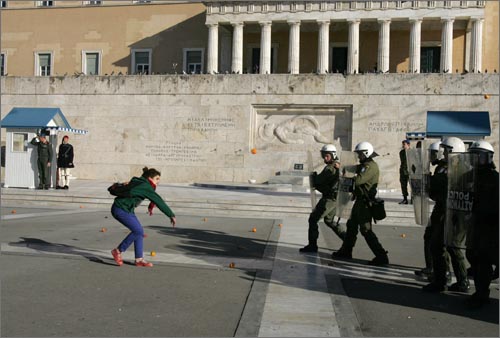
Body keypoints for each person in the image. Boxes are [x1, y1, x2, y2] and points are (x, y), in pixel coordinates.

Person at [423, 137, 469, 293]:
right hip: (443, 209)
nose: (444, 153)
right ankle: (443, 280)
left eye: (447, 150)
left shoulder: (463, 169)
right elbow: (437, 192)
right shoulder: (444, 167)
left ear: (454, 151)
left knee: (452, 247)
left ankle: (459, 282)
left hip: (456, 213)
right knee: (438, 245)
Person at [332, 141, 389, 266]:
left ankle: (381, 256)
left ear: (366, 153)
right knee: (351, 226)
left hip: (365, 204)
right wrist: (342, 166)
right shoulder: (365, 165)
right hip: (359, 202)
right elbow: (355, 168)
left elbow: (358, 180)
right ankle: (346, 251)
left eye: (360, 154)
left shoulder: (371, 167)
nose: (358, 156)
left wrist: (345, 179)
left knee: (366, 230)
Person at [111, 167, 176, 267]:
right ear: (150, 178)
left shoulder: (141, 182)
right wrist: (171, 214)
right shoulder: (145, 186)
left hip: (127, 209)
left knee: (139, 232)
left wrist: (150, 206)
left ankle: (139, 259)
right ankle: (118, 251)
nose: (158, 182)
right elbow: (158, 200)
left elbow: (153, 197)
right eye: (157, 179)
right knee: (138, 231)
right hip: (120, 209)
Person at [465, 140, 498, 309]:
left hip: (488, 224)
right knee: (472, 255)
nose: (475, 159)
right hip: (474, 222)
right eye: (473, 155)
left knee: (483, 259)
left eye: (479, 156)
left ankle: (482, 294)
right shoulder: (469, 175)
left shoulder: (494, 178)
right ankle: (479, 290)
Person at [300, 144, 344, 253]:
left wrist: (313, 177)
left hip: (329, 200)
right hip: (335, 199)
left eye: (327, 156)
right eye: (324, 155)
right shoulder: (338, 166)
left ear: (333, 155)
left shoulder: (330, 167)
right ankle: (348, 240)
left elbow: (319, 181)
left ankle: (312, 245)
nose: (325, 158)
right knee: (329, 221)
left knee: (313, 219)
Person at [399, 139, 411, 204]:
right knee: (403, 185)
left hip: (410, 171)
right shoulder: (401, 152)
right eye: (403, 144)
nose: (403, 146)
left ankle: (413, 199)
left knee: (412, 186)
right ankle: (405, 198)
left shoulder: (412, 152)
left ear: (408, 145)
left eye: (404, 144)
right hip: (403, 171)